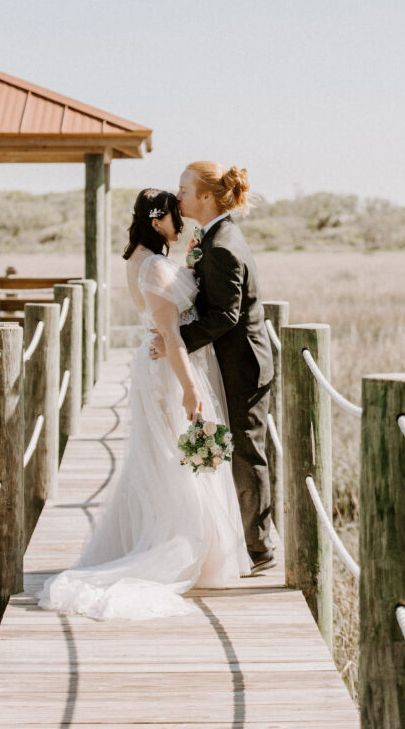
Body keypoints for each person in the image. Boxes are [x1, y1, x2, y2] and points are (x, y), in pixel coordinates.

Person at [38, 188, 250, 621]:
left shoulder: (145, 259)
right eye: (175, 215)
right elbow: (170, 335)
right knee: (181, 458)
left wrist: (188, 263)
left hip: (166, 367)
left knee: (167, 457)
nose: (183, 221)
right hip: (171, 372)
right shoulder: (153, 266)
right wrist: (191, 389)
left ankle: (194, 543)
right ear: (158, 223)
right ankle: (183, 546)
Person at [151, 163, 275, 572]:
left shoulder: (221, 245)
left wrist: (174, 343)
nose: (178, 197)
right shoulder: (211, 237)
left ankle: (259, 549)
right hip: (228, 362)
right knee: (237, 448)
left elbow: (225, 315)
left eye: (184, 190)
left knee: (246, 452)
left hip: (242, 364)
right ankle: (241, 538)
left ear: (205, 197)